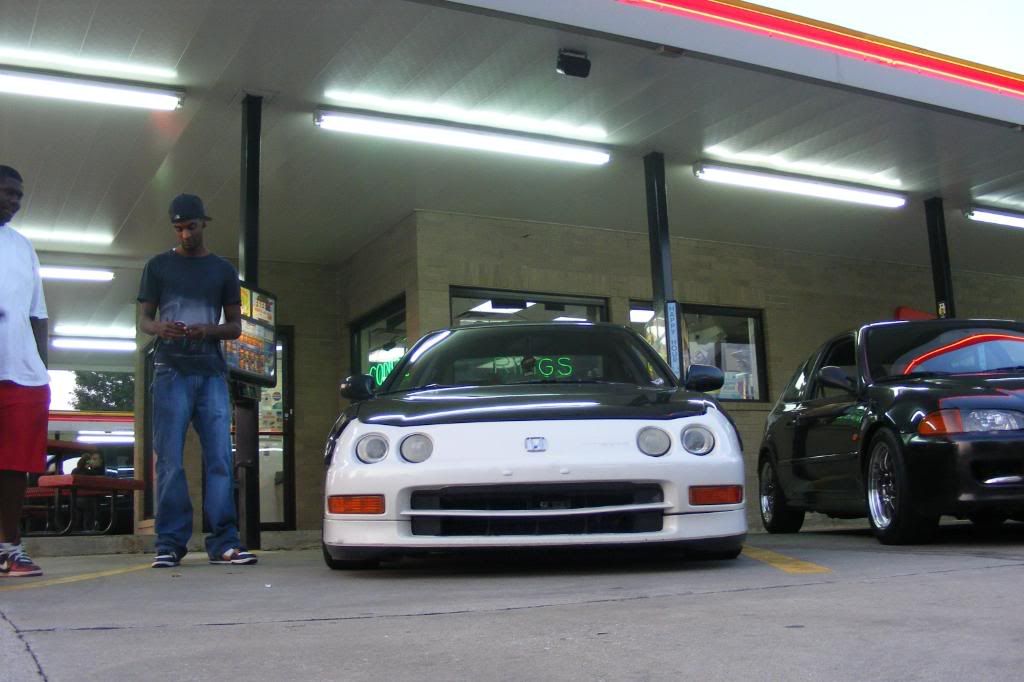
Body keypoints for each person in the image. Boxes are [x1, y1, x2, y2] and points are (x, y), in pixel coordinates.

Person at [137, 193, 256, 568]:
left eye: (191, 226)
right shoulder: (158, 266)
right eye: (178, 228)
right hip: (170, 369)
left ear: (204, 223)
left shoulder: (222, 270)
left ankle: (224, 542)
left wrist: (208, 330)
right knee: (169, 459)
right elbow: (144, 320)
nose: (185, 234)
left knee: (219, 457)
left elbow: (235, 327)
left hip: (211, 373)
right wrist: (161, 328)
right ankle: (170, 543)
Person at [0, 165, 50, 578]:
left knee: (15, 465)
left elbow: (38, 314)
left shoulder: (22, 247)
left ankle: (9, 548)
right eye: (7, 192)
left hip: (21, 373)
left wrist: (43, 368)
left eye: (19, 195)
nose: (14, 201)